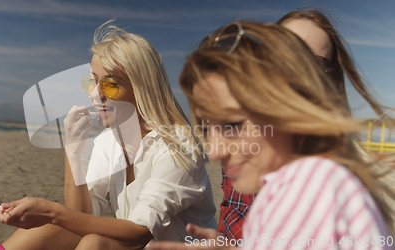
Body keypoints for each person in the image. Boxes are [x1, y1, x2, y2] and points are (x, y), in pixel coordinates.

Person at [148, 21, 394, 250]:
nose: (214, 151)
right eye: (205, 128)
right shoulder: (288, 186)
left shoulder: (313, 188)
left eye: (233, 124)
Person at [0, 23, 217, 250]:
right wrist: (73, 150)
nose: (95, 95)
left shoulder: (177, 144)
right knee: (51, 228)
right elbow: (80, 217)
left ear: (141, 89)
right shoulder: (107, 142)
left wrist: (52, 211)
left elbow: (139, 232)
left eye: (110, 85)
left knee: (92, 242)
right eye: (91, 81)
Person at [217, 9, 394, 242]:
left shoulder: (343, 181)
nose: (297, 75)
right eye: (284, 57)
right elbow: (229, 213)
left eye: (314, 65)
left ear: (330, 84)